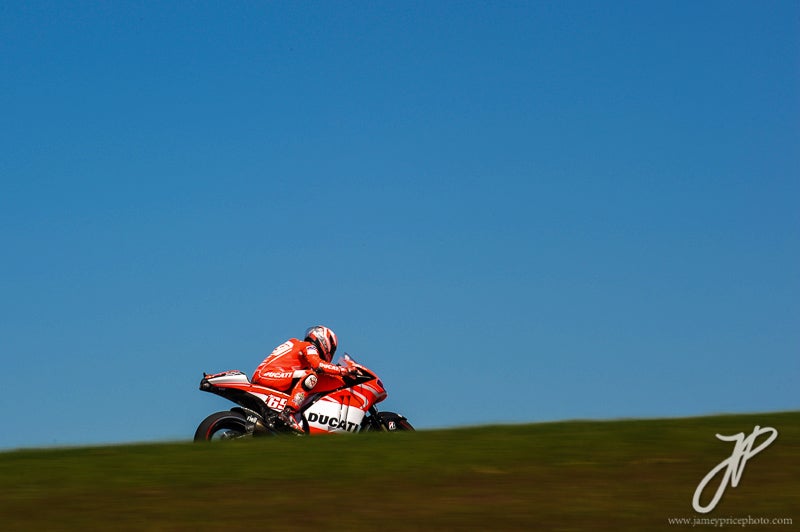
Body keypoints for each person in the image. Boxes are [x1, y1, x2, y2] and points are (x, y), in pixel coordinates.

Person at [252, 325, 356, 433]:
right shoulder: (308, 346)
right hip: (268, 375)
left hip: (270, 375)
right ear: (325, 342)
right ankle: (288, 413)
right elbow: (318, 364)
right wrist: (345, 371)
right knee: (311, 377)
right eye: (332, 349)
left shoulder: (298, 345)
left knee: (310, 377)